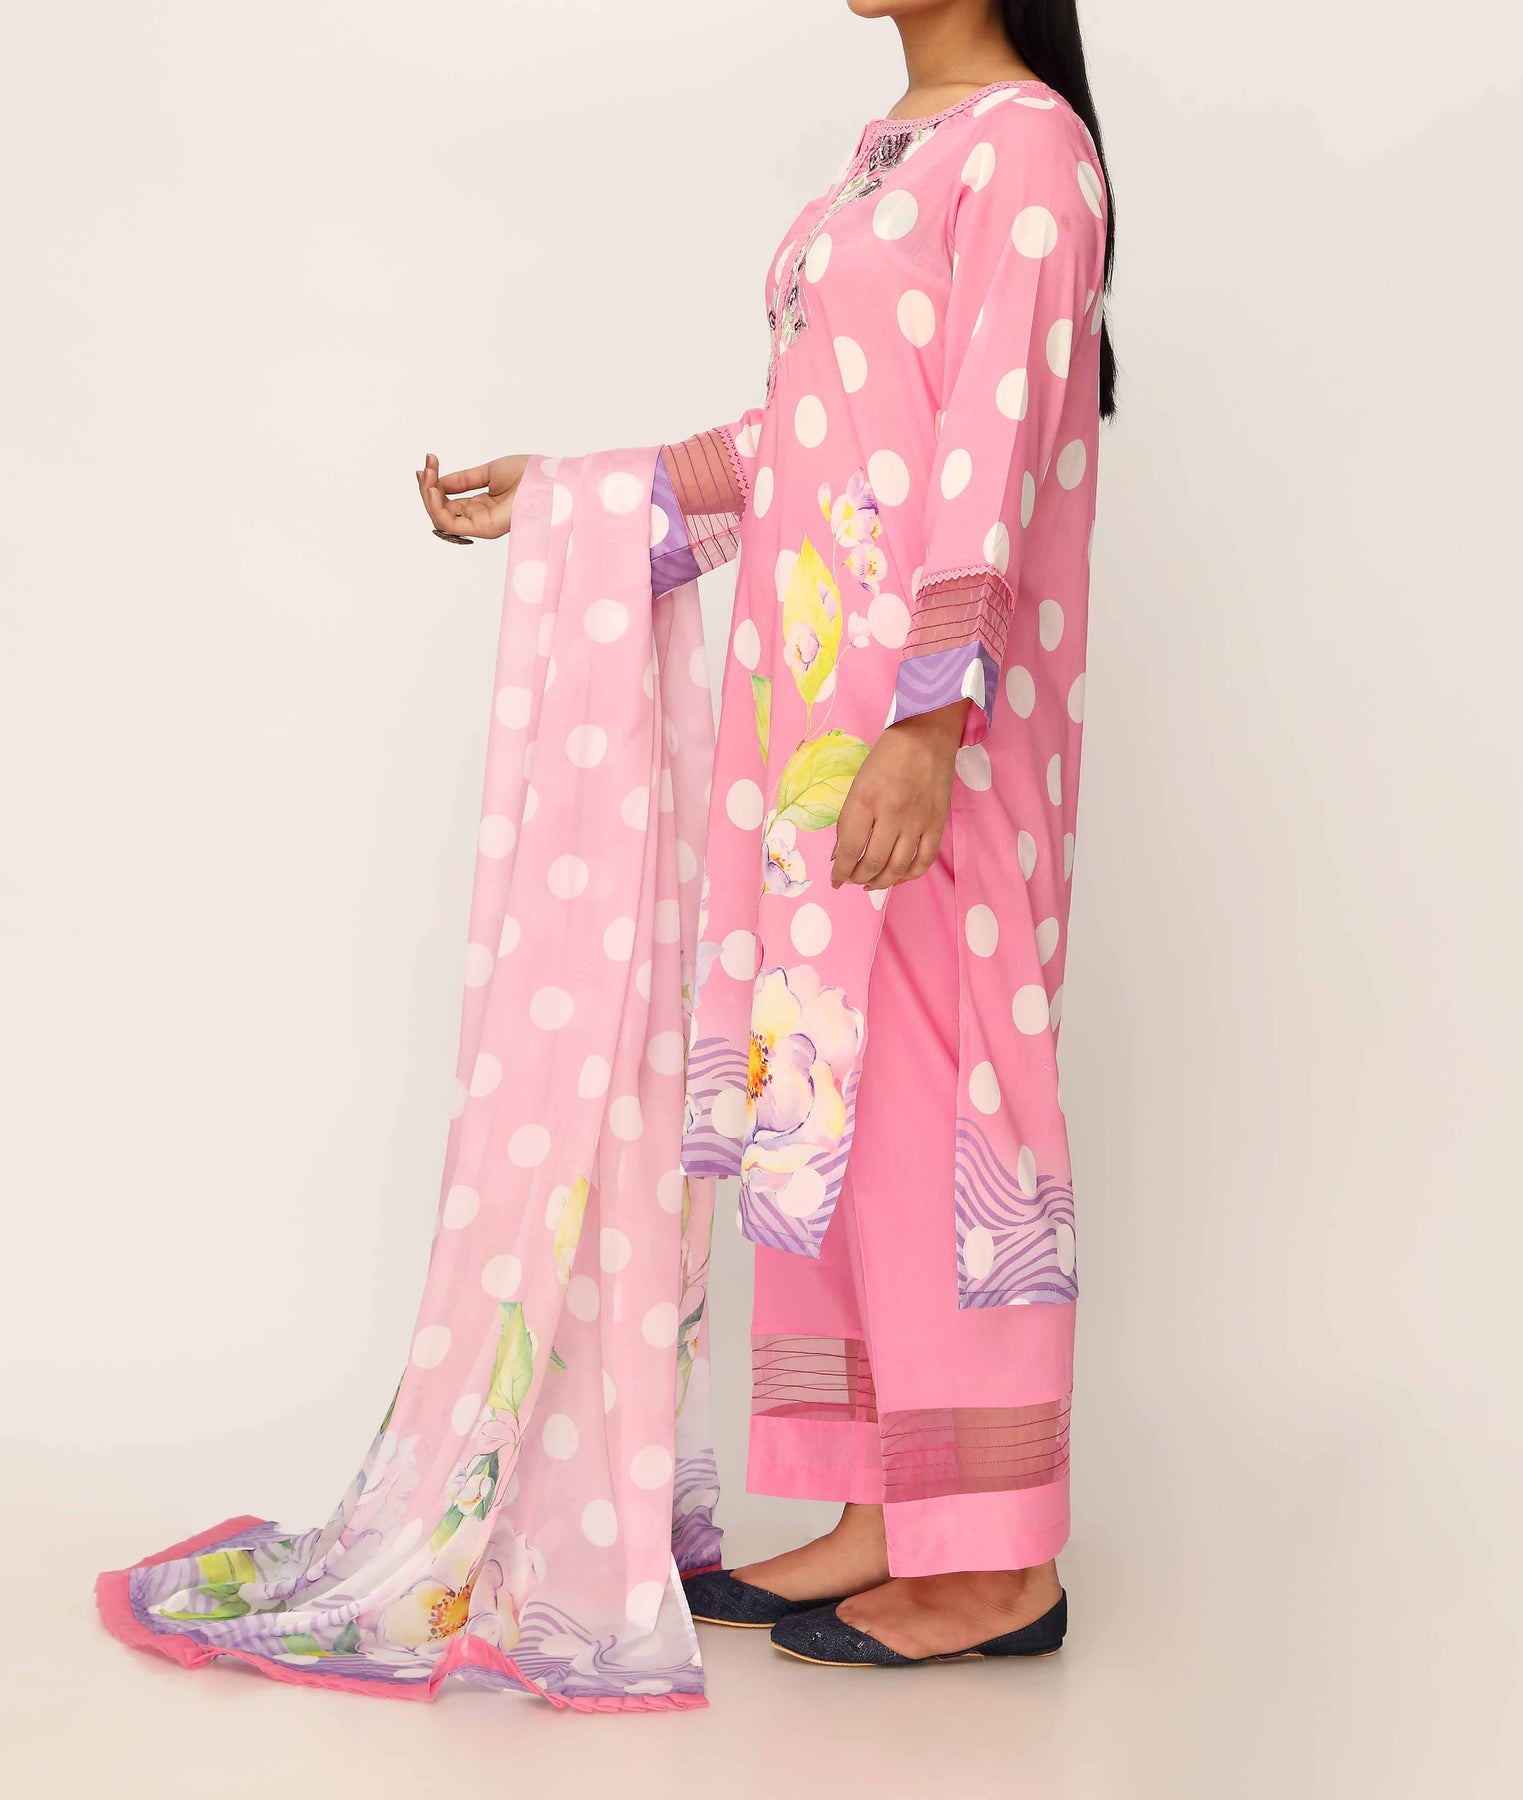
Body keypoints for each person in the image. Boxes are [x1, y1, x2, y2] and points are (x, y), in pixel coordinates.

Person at [416, 0, 1116, 1670]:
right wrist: (578, 495)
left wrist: (930, 723)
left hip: (927, 733)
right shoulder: (892, 154)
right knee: (835, 1102)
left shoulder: (1027, 151)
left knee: (945, 1107)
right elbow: (811, 437)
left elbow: (988, 452)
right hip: (815, 728)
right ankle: (882, 1510)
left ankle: (999, 1561)